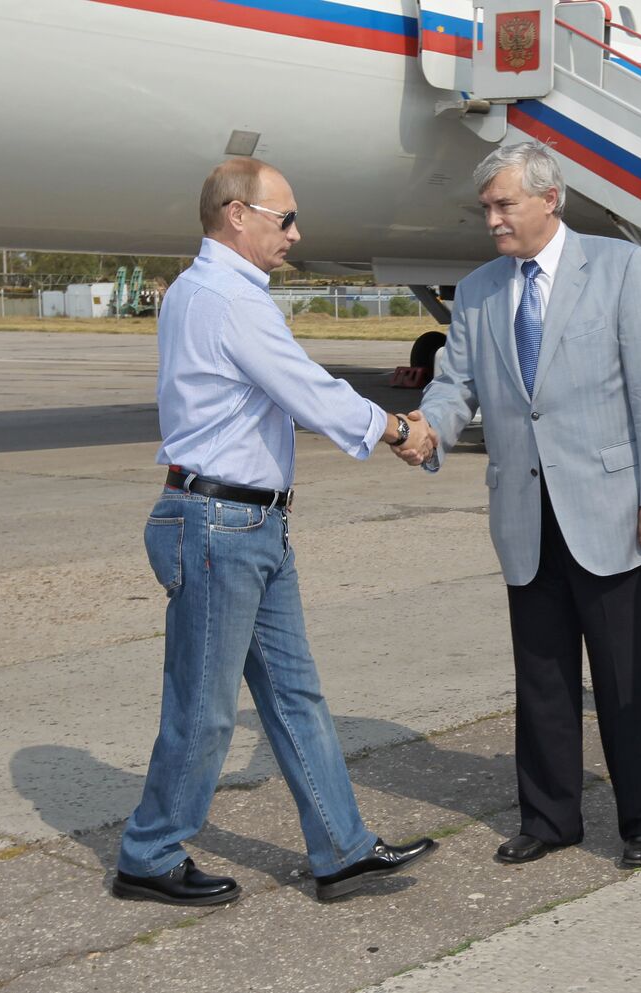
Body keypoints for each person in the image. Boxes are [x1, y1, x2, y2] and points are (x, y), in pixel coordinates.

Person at [114, 158, 435, 907]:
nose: (296, 233)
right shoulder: (227, 298)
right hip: (221, 524)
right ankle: (148, 851)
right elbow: (303, 387)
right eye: (283, 218)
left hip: (247, 521)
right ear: (236, 214)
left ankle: (342, 847)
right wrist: (395, 427)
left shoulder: (209, 291)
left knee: (294, 695)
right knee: (204, 706)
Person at [395, 142, 641, 869]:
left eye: (505, 205)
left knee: (630, 677)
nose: (492, 219)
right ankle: (550, 817)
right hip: (525, 511)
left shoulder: (618, 269)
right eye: (487, 207)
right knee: (544, 676)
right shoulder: (482, 289)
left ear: (550, 199)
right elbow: (454, 386)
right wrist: (427, 432)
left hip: (614, 505)